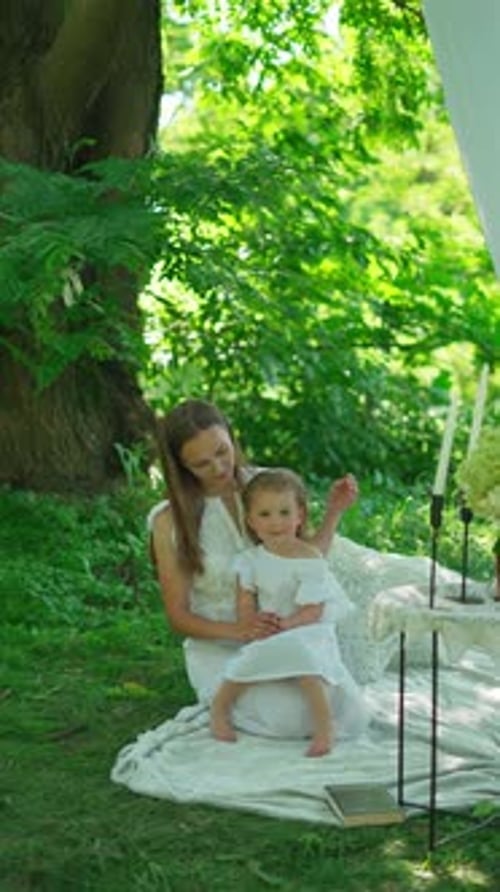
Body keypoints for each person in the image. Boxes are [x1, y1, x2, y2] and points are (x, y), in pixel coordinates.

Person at [151, 398, 368, 741]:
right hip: (223, 644)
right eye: (201, 464)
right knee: (290, 719)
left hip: (287, 629)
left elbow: (309, 559)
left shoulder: (265, 486)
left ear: (232, 438)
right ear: (180, 465)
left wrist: (334, 512)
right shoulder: (170, 521)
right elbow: (178, 617)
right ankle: (227, 701)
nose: (219, 468)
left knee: (347, 712)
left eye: (223, 452)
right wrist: (240, 630)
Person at [210, 468, 364, 756]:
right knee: (243, 665)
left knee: (307, 665)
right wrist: (250, 622)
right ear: (251, 521)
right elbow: (244, 601)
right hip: (270, 628)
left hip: (308, 630)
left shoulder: (308, 558)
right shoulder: (250, 561)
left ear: (299, 516)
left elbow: (314, 609)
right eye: (265, 514)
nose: (275, 522)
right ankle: (219, 710)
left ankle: (324, 728)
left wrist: (288, 624)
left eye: (284, 512)